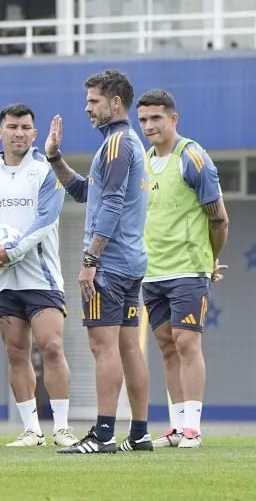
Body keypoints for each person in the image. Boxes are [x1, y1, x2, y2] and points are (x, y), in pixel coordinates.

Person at [47, 69, 152, 454]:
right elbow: (84, 193)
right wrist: (54, 157)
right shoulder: (126, 144)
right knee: (127, 347)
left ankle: (104, 433)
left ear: (115, 103)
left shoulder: (115, 145)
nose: (87, 108)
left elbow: (110, 204)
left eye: (93, 101)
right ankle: (139, 433)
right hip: (130, 262)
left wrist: (90, 259)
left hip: (110, 265)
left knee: (102, 346)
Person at [0, 104, 75, 448]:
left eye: (26, 127)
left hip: (41, 277)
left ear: (35, 133)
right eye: (12, 126)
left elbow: (45, 221)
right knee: (16, 353)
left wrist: (11, 252)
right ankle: (32, 430)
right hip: (2, 280)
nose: (19, 132)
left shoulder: (46, 172)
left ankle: (61, 427)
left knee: (52, 347)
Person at [136, 89, 229, 449]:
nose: (149, 126)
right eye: (143, 119)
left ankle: (193, 428)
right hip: (152, 273)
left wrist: (209, 260)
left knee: (187, 342)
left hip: (188, 270)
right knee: (166, 346)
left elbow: (218, 218)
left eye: (156, 118)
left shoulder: (192, 157)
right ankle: (176, 428)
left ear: (173, 119)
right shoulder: (142, 161)